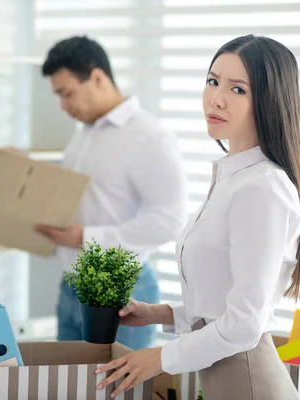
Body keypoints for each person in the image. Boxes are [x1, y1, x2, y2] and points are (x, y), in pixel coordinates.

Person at [95, 34, 300, 399]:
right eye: (213, 81)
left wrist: (161, 358)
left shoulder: (261, 189)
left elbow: (244, 324)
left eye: (238, 89)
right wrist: (156, 313)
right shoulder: (233, 179)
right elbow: (218, 308)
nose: (217, 98)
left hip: (251, 385)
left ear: (269, 100)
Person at [34, 35, 188, 351]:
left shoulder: (149, 137)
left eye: (67, 94)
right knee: (67, 389)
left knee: (118, 392)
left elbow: (170, 220)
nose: (63, 106)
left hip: (122, 290)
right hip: (71, 285)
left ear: (98, 78)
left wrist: (85, 237)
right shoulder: (84, 134)